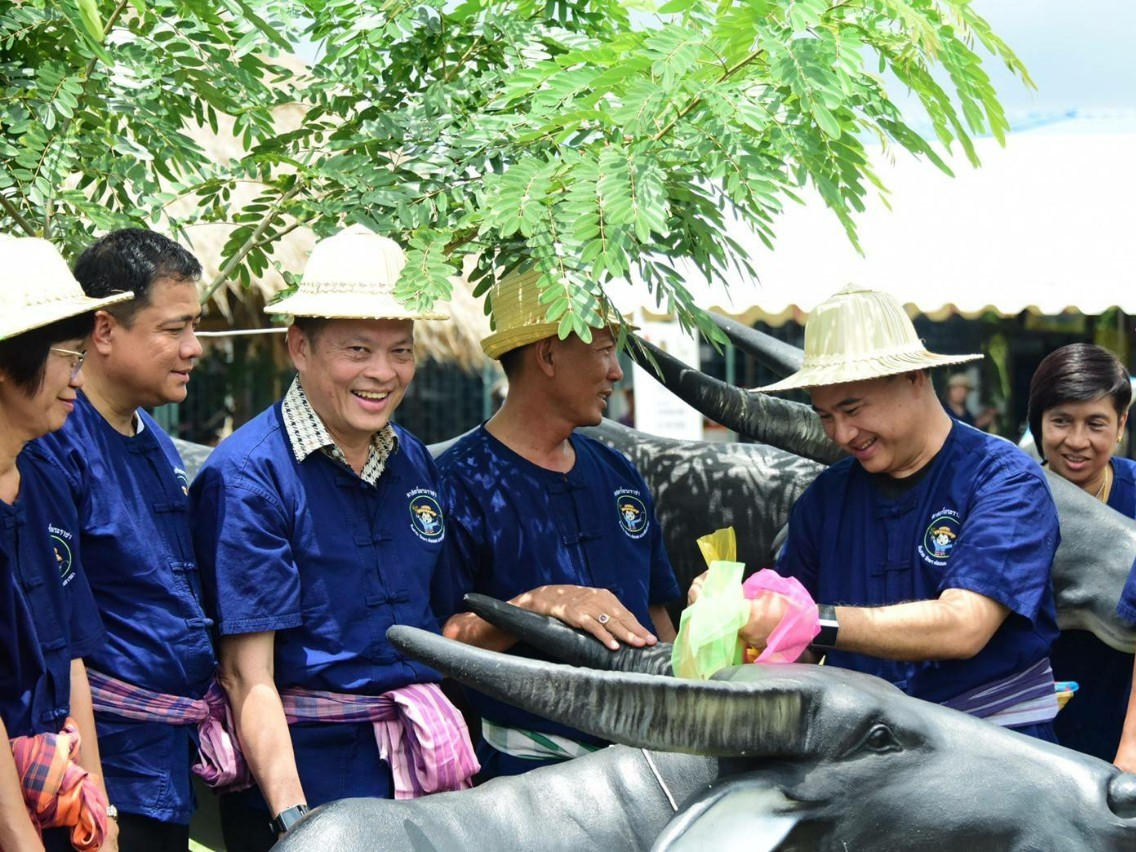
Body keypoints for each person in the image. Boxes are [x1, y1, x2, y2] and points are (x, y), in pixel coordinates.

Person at [189, 226, 477, 851]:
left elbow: (446, 622)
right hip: (305, 777)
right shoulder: (248, 477)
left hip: (421, 767)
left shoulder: (416, 464)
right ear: (300, 346)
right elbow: (247, 677)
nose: (382, 373)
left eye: (400, 350)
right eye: (356, 350)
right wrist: (298, 824)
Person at [692, 285, 1061, 741]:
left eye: (853, 408)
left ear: (915, 378)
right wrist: (733, 613)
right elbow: (797, 646)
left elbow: (964, 626)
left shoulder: (1002, 480)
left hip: (988, 746)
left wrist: (810, 620)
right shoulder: (827, 498)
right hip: (866, 756)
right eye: (825, 415)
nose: (843, 433)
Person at [436, 267, 680, 779]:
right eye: (603, 350)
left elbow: (655, 614)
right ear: (548, 355)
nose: (616, 371)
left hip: (650, 764)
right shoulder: (458, 484)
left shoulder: (618, 475)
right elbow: (441, 645)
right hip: (527, 780)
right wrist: (532, 606)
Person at [34, 229, 216, 851]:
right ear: (104, 331)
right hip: (99, 765)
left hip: (166, 760)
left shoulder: (158, 442)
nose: (194, 349)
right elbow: (60, 635)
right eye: (174, 328)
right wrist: (95, 800)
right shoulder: (54, 443)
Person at [1, 235, 132, 851]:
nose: (78, 377)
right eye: (67, 356)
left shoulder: (48, 478)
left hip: (54, 795)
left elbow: (72, 655)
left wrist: (97, 812)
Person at [1026, 343, 1136, 765]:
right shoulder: (1003, 498)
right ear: (1038, 422)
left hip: (1121, 729)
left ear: (1121, 423)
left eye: (1096, 424)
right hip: (1031, 733)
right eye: (1060, 422)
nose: (1077, 441)